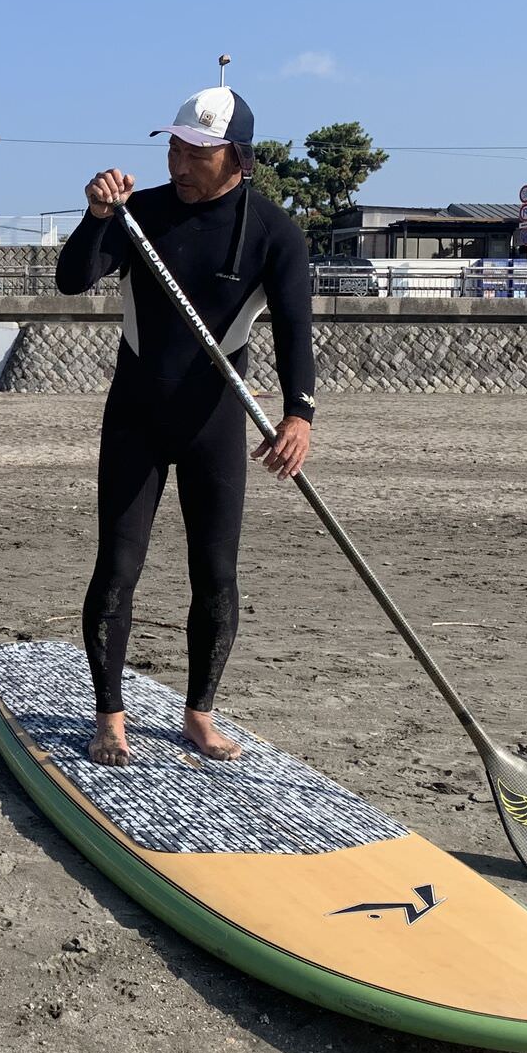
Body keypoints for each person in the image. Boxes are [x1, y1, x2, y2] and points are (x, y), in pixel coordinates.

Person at [56, 83, 315, 767]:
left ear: (237, 157)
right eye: (173, 143)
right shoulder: (139, 214)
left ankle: (198, 714)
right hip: (137, 416)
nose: (178, 156)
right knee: (117, 565)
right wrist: (94, 218)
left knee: (216, 575)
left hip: (215, 422)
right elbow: (72, 279)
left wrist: (298, 413)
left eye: (196, 149)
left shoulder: (273, 234)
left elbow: (294, 331)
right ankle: (110, 716)